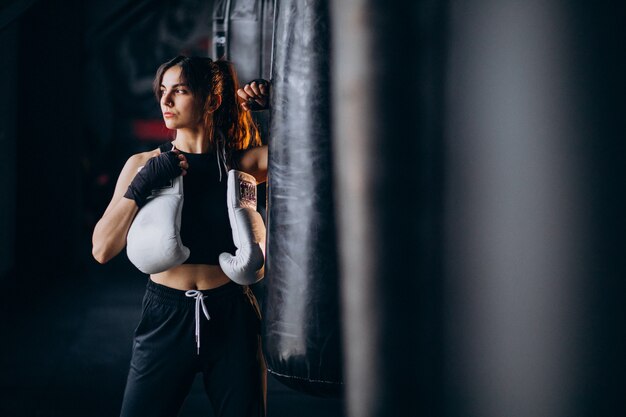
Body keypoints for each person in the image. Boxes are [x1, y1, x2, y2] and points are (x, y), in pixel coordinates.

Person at [91, 55, 269, 417]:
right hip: (166, 315)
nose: (165, 101)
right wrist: (141, 186)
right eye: (162, 91)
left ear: (212, 101)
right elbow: (102, 249)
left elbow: (316, 153)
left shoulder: (243, 164)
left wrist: (278, 108)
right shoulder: (141, 165)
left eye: (180, 91)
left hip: (232, 313)